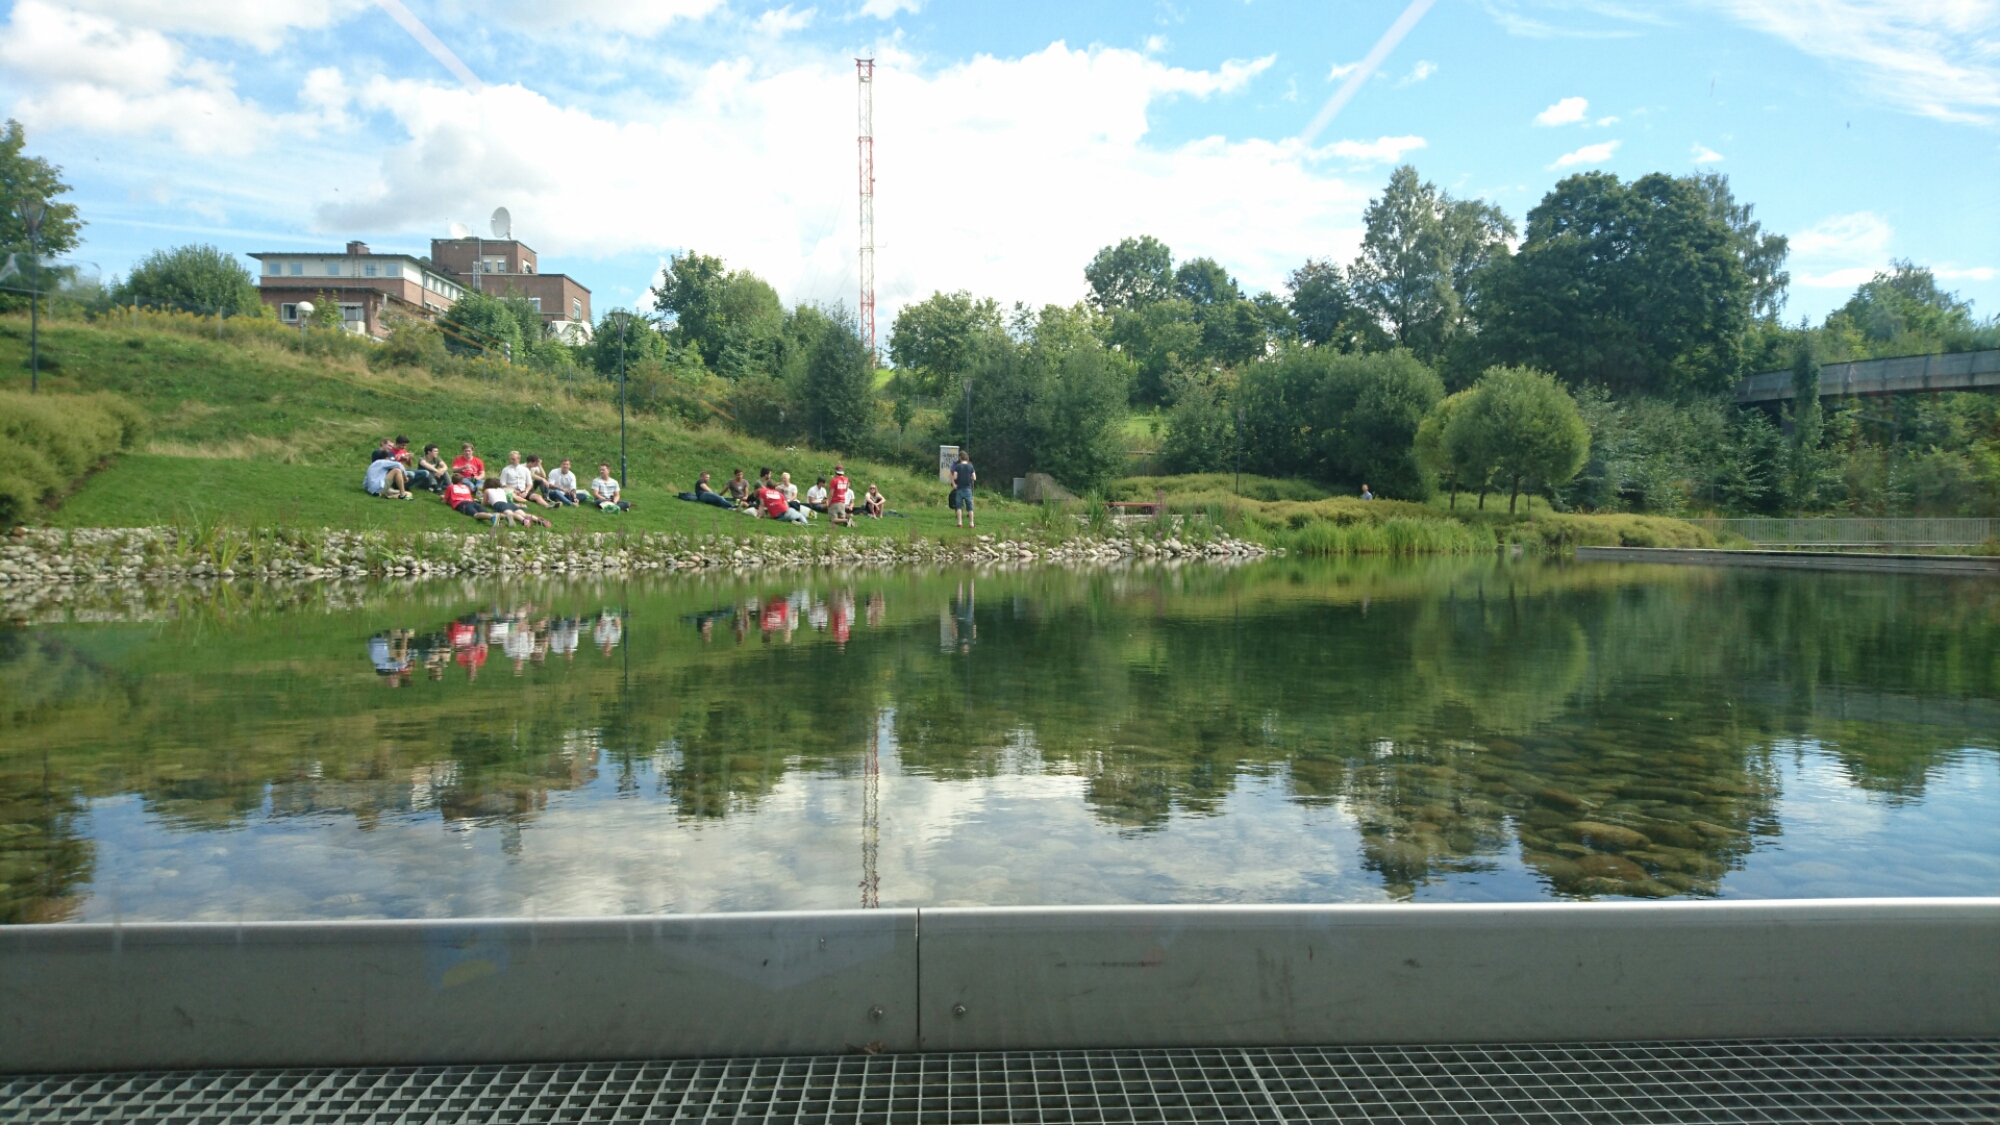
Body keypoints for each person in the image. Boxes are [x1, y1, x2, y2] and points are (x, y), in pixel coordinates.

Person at [951, 450, 976, 528]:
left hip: (959, 489)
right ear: (967, 458)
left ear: (960, 458)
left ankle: (959, 523)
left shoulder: (957, 466)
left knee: (959, 507)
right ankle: (971, 524)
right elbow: (974, 478)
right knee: (970, 507)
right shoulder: (970, 466)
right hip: (968, 488)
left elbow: (954, 477)